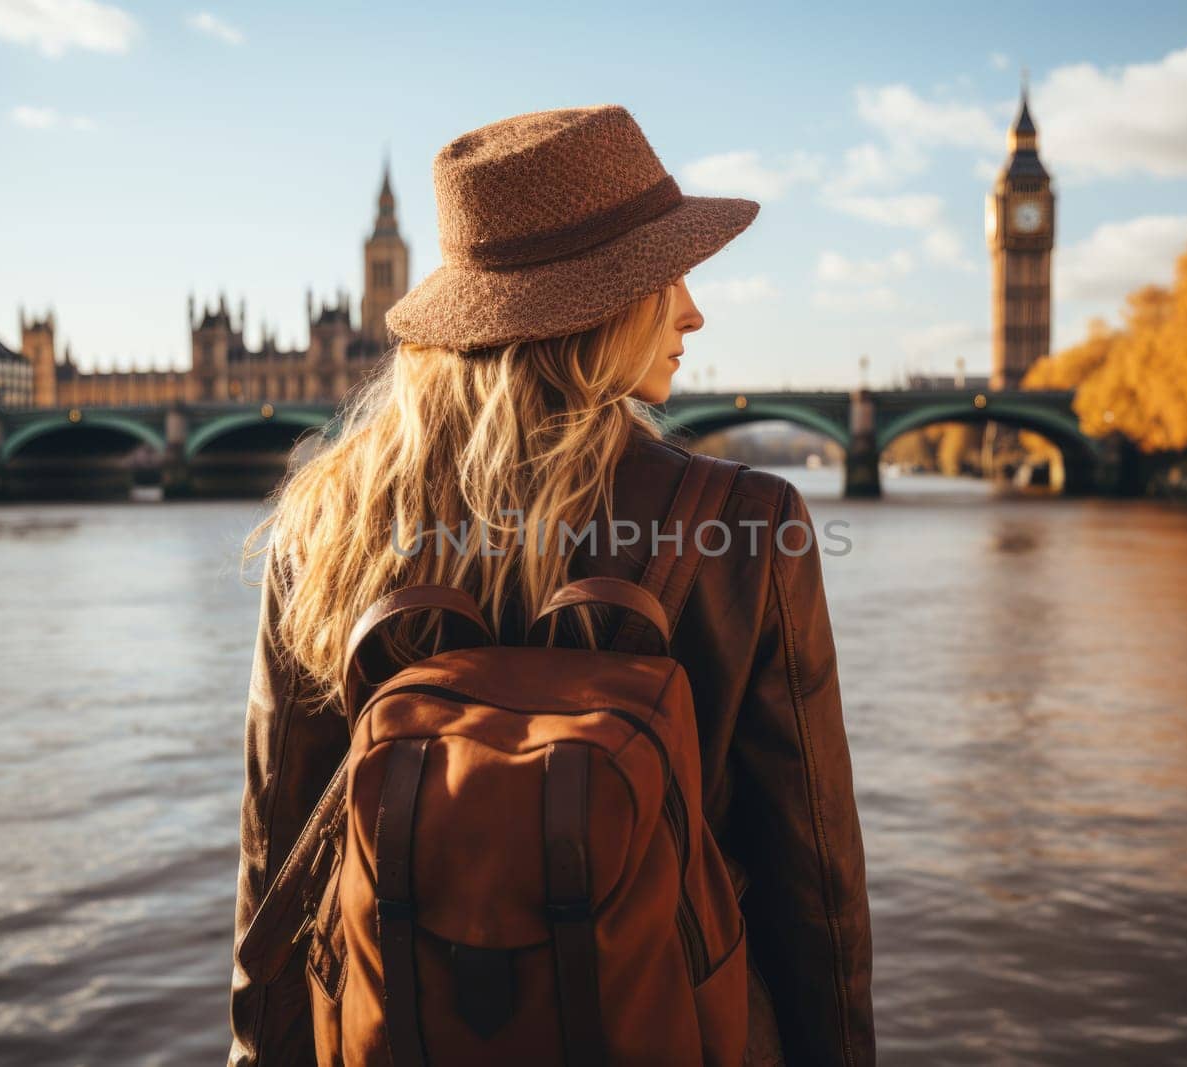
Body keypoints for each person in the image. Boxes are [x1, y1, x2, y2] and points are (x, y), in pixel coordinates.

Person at [228, 104, 874, 1066]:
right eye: (668, 275)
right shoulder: (750, 524)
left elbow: (279, 872)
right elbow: (812, 886)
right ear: (598, 303)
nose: (693, 309)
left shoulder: (322, 525)